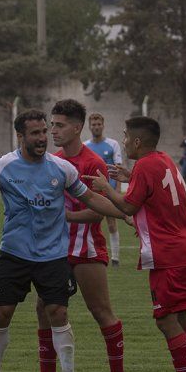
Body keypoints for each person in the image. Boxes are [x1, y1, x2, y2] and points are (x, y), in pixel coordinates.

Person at [0, 109, 128, 372]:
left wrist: (124, 212)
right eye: (36, 133)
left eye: (45, 131)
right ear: (20, 136)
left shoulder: (61, 168)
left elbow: (91, 198)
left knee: (57, 311)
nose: (43, 137)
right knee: (2, 313)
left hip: (53, 255)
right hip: (14, 254)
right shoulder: (2, 166)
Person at [85, 116, 186, 372]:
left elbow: (128, 206)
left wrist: (106, 187)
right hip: (184, 250)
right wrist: (131, 178)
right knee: (181, 318)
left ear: (137, 142)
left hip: (168, 255)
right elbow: (155, 192)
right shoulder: (163, 160)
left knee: (165, 319)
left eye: (126, 136)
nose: (124, 140)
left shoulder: (145, 166)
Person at [13, 100, 128, 372]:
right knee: (43, 308)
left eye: (59, 125)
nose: (53, 130)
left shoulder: (92, 163)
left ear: (77, 128)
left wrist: (65, 216)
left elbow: (97, 211)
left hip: (86, 249)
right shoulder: (52, 159)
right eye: (52, 125)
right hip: (55, 251)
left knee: (100, 309)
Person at [84, 113, 123, 266]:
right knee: (90, 223)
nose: (96, 127)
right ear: (89, 126)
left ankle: (115, 258)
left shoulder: (112, 144)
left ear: (103, 125)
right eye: (93, 124)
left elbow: (118, 169)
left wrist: (117, 190)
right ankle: (90, 253)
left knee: (112, 223)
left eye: (98, 124)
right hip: (91, 193)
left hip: (109, 192)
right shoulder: (85, 146)